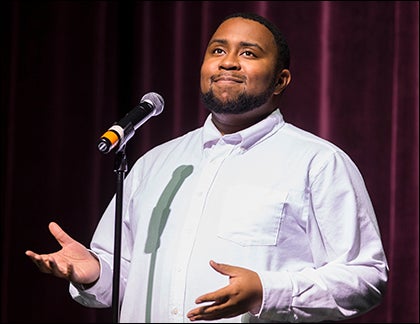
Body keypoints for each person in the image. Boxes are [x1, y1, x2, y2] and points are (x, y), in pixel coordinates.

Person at [25, 12, 389, 323]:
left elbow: (366, 276)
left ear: (281, 80)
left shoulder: (318, 162)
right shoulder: (155, 163)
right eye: (217, 50)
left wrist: (269, 292)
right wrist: (94, 273)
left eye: (248, 53)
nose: (228, 62)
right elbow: (121, 280)